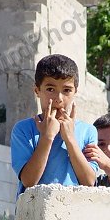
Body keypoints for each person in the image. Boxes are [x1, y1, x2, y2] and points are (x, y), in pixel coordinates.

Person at [10, 54, 98, 197]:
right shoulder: (24, 129)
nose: (59, 99)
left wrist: (70, 138)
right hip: (35, 214)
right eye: (50, 89)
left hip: (75, 213)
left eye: (67, 90)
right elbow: (29, 181)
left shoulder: (88, 131)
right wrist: (47, 136)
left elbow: (89, 181)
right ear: (37, 91)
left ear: (76, 91)